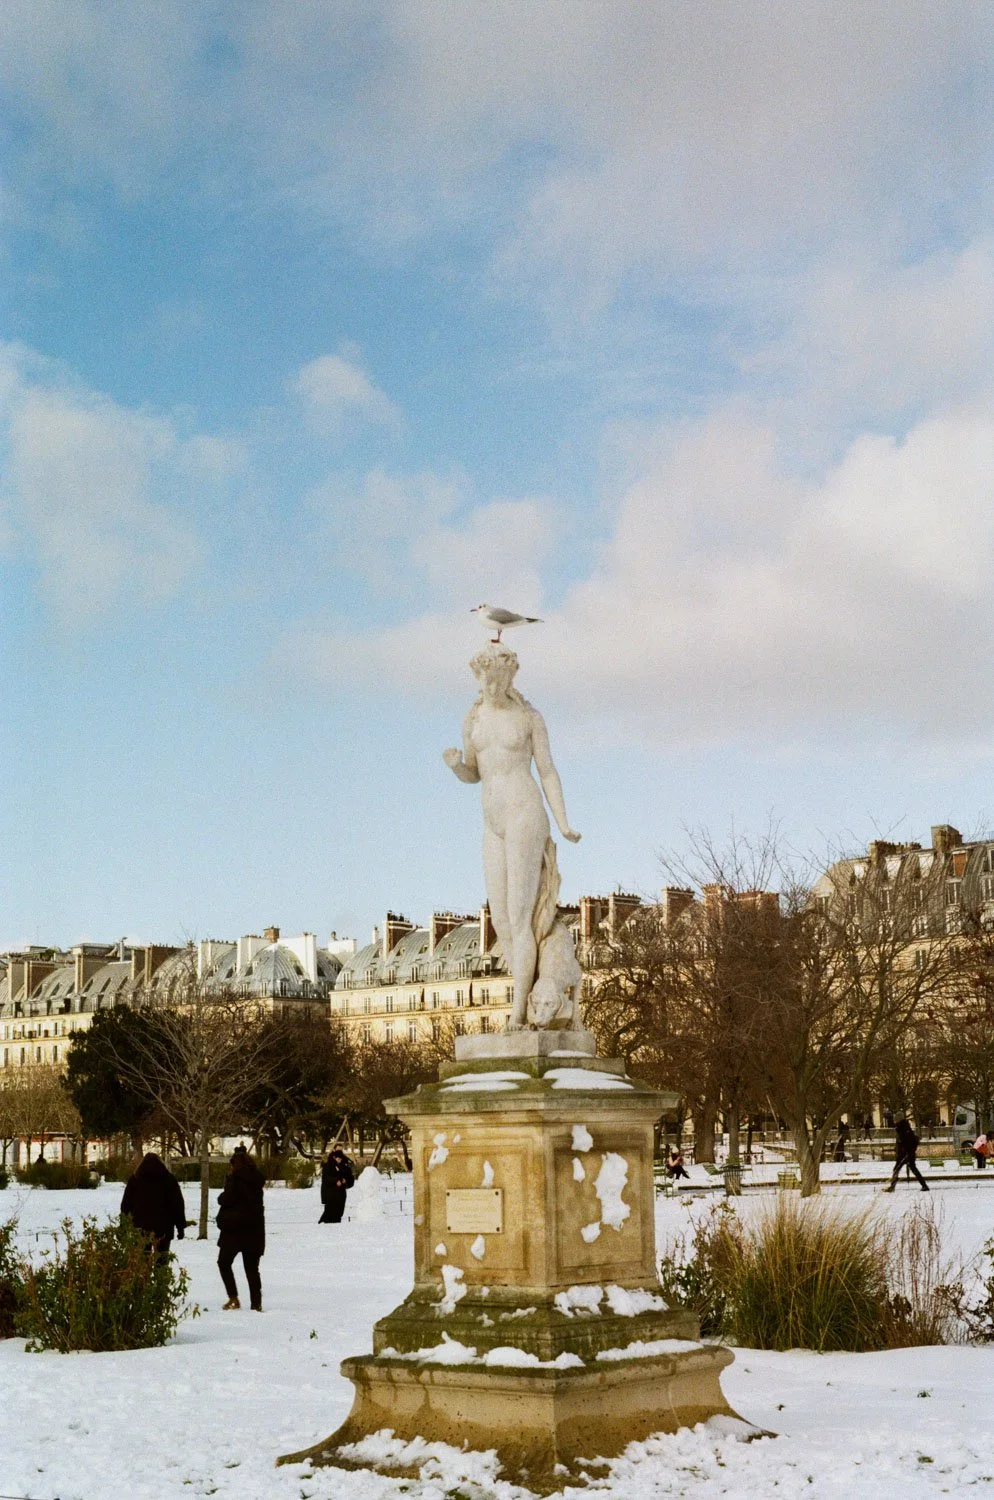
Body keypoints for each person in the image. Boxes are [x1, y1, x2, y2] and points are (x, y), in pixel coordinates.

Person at [443, 645, 580, 1029]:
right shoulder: (473, 718)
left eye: (497, 681)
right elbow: (475, 772)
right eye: (484, 681)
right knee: (501, 920)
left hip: (524, 813)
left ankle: (520, 1013)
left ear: (508, 679)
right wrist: (457, 768)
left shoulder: (529, 718)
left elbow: (548, 771)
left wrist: (564, 822)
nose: (490, 687)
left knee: (521, 917)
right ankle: (535, 996)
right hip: (493, 821)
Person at [216, 1144, 266, 1311]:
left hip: (234, 1230)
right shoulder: (257, 1181)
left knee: (224, 1262)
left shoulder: (235, 1180)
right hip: (254, 1230)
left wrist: (221, 1197)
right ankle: (256, 1303)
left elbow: (227, 1199)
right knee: (252, 1269)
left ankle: (233, 1297)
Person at [120, 1151, 187, 1258]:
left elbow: (126, 1204)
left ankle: (143, 1274)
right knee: (162, 1260)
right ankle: (161, 1275)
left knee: (142, 1261)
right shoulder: (169, 1180)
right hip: (164, 1227)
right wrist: (180, 1227)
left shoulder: (135, 1179)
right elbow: (177, 1205)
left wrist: (123, 1226)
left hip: (141, 1226)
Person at [883, 1118, 929, 1193]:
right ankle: (924, 1185)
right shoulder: (908, 1131)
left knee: (896, 1169)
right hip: (909, 1154)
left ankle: (892, 1187)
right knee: (913, 1169)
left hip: (904, 1155)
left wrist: (901, 1152)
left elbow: (902, 1144)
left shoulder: (902, 1132)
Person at [319, 1147, 355, 1223]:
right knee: (329, 1211)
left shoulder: (345, 1166)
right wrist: (335, 1181)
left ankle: (336, 1224)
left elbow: (350, 1178)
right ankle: (324, 1224)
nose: (339, 1161)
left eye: (340, 1159)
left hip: (341, 1193)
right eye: (338, 1159)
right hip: (330, 1193)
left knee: (339, 1211)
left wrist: (346, 1181)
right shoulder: (328, 1165)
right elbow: (326, 1178)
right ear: (334, 1157)